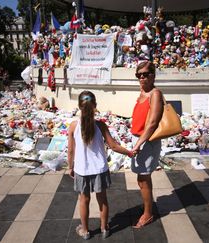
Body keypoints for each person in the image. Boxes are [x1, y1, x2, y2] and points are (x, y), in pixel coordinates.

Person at [67, 91, 134, 240]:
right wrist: (129, 152)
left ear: (79, 106)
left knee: (83, 200)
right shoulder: (101, 126)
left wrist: (70, 167)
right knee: (102, 199)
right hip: (100, 169)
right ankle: (105, 228)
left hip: (82, 170)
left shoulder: (73, 126)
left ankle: (85, 231)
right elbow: (114, 146)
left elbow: (71, 150)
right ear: (95, 106)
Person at [130, 61, 164, 228]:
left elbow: (152, 124)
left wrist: (138, 144)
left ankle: (148, 213)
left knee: (143, 179)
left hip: (146, 142)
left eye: (145, 74)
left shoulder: (155, 94)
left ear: (153, 76)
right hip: (139, 139)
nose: (142, 78)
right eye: (139, 75)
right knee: (141, 178)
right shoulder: (143, 92)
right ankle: (148, 209)